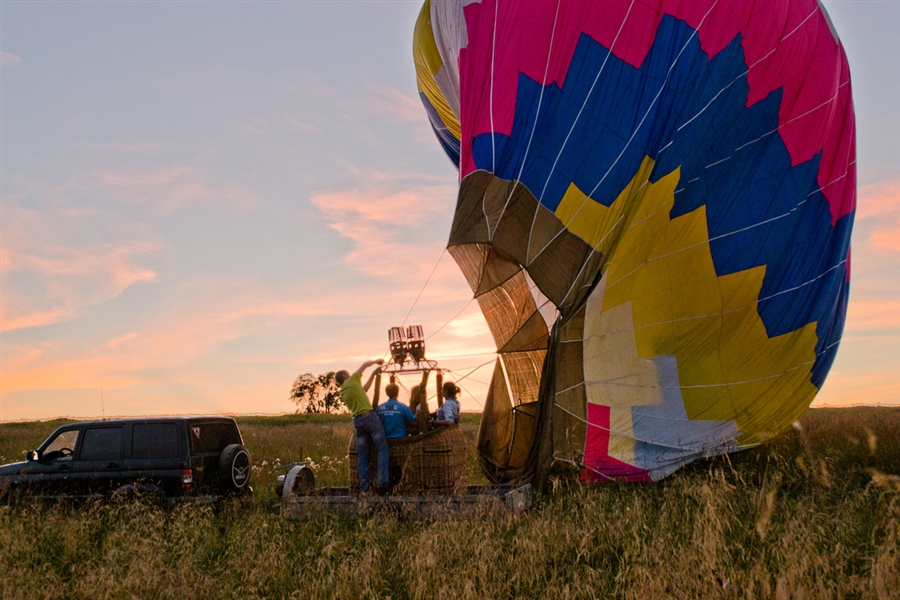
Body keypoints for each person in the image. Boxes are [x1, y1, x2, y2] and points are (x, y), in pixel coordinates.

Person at [335, 359, 390, 494]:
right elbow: (365, 364)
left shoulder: (343, 391)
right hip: (369, 417)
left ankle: (364, 488)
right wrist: (377, 362)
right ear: (344, 376)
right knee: (382, 448)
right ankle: (383, 482)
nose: (350, 374)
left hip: (357, 422)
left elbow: (364, 389)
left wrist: (373, 375)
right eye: (347, 373)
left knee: (362, 455)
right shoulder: (352, 379)